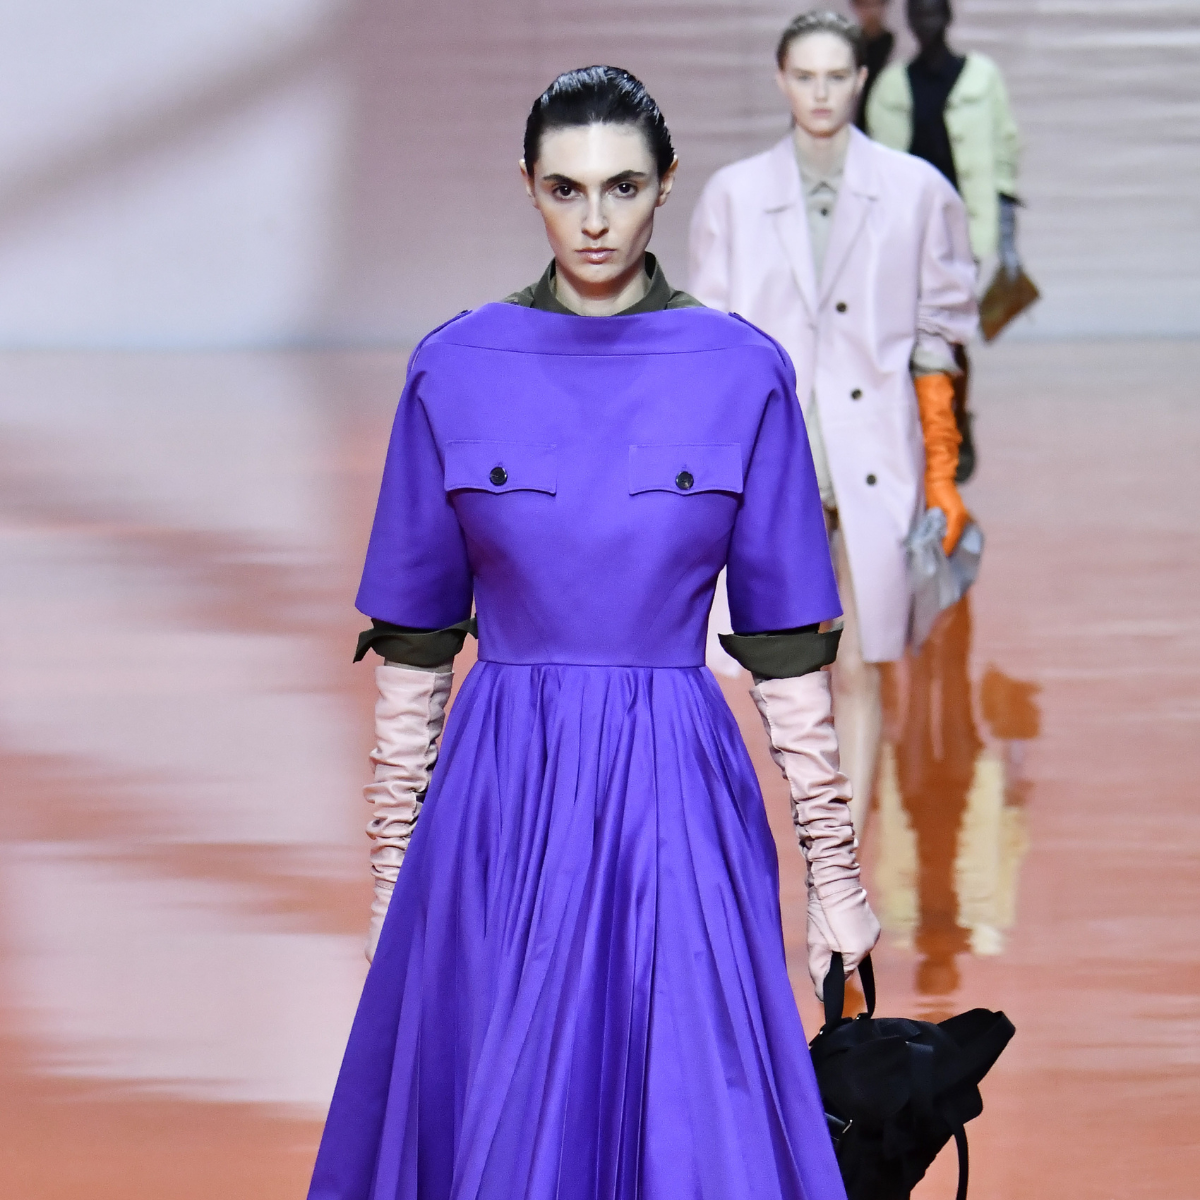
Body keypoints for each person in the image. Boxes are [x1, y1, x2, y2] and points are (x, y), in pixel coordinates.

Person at [307, 65, 879, 1200]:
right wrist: (390, 882)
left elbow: (785, 651)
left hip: (676, 797)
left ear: (666, 185)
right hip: (499, 803)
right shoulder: (456, 366)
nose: (596, 219)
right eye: (566, 189)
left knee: (688, 1119)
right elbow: (415, 644)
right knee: (504, 1111)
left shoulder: (741, 370)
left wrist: (836, 877)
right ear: (528, 186)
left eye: (622, 186)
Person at [688, 12, 977, 833]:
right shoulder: (735, 196)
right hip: (771, 464)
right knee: (783, 674)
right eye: (805, 77)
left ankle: (843, 860)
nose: (820, 93)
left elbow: (938, 337)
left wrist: (942, 469)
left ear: (862, 81)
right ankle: (814, 836)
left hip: (875, 455)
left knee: (859, 664)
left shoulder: (918, 192)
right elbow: (707, 348)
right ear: (781, 80)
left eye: (836, 77)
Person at [866, 0, 1023, 479]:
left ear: (949, 16)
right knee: (907, 328)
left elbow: (1004, 150)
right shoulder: (893, 84)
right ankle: (918, 424)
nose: (927, 23)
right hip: (908, 231)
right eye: (918, 13)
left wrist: (1008, 237)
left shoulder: (981, 77)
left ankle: (956, 422)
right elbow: (877, 162)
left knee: (952, 331)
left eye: (934, 12)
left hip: (963, 231)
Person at [849, 0, 895, 131]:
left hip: (888, 125)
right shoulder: (848, 48)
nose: (871, 11)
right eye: (865, 5)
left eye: (876, 4)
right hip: (856, 128)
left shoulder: (898, 47)